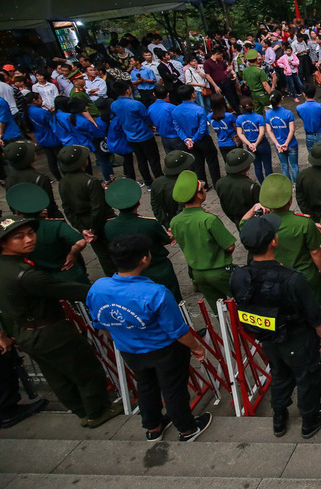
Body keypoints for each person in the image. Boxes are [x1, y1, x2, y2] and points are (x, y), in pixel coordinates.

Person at [0, 213, 121, 428]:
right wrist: (113, 291)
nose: (29, 239)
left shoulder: (8, 266)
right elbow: (71, 290)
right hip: (51, 331)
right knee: (86, 369)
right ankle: (98, 411)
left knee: (56, 375)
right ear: (4, 244)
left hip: (24, 331)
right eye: (19, 237)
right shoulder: (26, 275)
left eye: (30, 233)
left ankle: (80, 410)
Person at [88, 234, 211, 442]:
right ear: (145, 258)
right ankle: (187, 429)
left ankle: (153, 427)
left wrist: (122, 337)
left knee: (145, 386)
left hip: (130, 350)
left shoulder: (98, 288)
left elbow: (101, 323)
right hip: (164, 351)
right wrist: (196, 347)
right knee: (173, 390)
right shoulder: (156, 293)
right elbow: (177, 330)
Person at [231, 214, 321, 439]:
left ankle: (279, 417)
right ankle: (309, 420)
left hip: (267, 337)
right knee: (307, 377)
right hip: (297, 337)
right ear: (274, 242)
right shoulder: (292, 279)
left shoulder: (239, 275)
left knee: (279, 374)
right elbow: (313, 314)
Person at [245, 173, 321, 305]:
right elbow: (315, 252)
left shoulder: (259, 224)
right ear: (290, 201)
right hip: (305, 276)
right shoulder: (304, 223)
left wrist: (255, 206)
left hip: (275, 278)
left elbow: (243, 223)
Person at [103, 178, 182, 302]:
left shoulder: (109, 226)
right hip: (158, 269)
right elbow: (166, 239)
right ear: (138, 203)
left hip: (132, 272)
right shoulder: (149, 224)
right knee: (172, 300)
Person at [169, 170, 236, 305]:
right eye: (203, 189)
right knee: (244, 301)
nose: (205, 190)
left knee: (218, 307)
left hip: (198, 274)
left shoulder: (175, 221)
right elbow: (230, 246)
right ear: (199, 195)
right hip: (220, 271)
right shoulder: (209, 219)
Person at [6, 182, 91, 284]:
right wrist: (72, 255)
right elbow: (80, 242)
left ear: (18, 212)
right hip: (68, 274)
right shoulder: (55, 225)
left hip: (42, 279)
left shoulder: (14, 232)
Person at [57, 145, 115, 275]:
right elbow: (98, 208)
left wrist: (82, 228)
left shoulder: (63, 182)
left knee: (103, 256)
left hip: (84, 224)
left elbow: (67, 208)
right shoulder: (91, 181)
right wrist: (94, 230)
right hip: (101, 223)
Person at [109, 80, 163, 187]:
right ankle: (160, 180)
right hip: (145, 136)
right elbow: (146, 118)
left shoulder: (114, 105)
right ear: (128, 90)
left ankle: (148, 183)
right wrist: (150, 126)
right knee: (153, 160)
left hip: (130, 137)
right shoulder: (136, 104)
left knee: (141, 160)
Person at [173, 85, 221, 185]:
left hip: (189, 141)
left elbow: (177, 127)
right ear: (192, 94)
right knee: (212, 162)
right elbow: (202, 128)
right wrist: (194, 139)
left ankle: (203, 185)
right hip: (202, 139)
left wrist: (186, 139)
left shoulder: (175, 110)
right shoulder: (199, 109)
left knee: (198, 164)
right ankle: (217, 183)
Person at [213, 148, 261, 229]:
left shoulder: (219, 183)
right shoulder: (251, 186)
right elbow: (259, 207)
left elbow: (224, 206)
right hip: (253, 221)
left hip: (236, 220)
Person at [151, 150, 194, 230]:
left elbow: (156, 206)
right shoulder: (185, 184)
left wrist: (167, 225)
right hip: (187, 221)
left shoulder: (156, 182)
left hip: (171, 220)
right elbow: (182, 208)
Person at [266, 91, 299, 182]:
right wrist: (286, 143)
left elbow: (269, 131)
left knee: (284, 166)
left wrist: (277, 144)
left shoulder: (268, 114)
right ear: (281, 99)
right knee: (294, 166)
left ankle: (287, 185)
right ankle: (296, 185)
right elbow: (292, 130)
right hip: (291, 143)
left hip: (279, 145)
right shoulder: (288, 113)